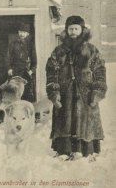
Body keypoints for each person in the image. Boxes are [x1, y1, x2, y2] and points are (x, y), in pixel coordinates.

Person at [46, 16, 107, 161]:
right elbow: (51, 71)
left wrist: (97, 91)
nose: (73, 32)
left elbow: (100, 71)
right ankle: (64, 151)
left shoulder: (91, 50)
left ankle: (84, 150)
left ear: (82, 30)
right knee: (64, 120)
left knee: (84, 121)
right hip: (64, 92)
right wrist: (54, 91)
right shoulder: (59, 51)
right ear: (66, 30)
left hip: (86, 94)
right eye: (70, 29)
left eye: (76, 29)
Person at [8, 23, 37, 103]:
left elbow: (34, 61)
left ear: (27, 34)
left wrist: (31, 70)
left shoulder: (30, 45)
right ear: (18, 32)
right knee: (15, 92)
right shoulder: (13, 44)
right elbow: (9, 57)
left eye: (24, 32)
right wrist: (9, 68)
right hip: (16, 71)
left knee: (27, 93)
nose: (22, 34)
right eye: (20, 32)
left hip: (26, 72)